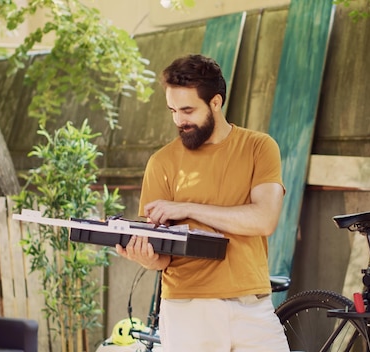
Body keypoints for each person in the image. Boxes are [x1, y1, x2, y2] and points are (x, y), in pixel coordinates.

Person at [116, 54, 289, 352]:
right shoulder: (161, 163)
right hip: (188, 311)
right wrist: (145, 256)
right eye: (172, 110)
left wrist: (187, 208)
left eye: (187, 110)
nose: (179, 121)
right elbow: (162, 256)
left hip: (253, 306)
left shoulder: (259, 147)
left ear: (216, 102)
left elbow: (264, 219)